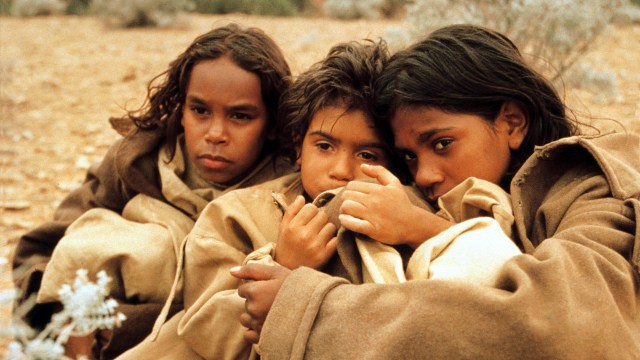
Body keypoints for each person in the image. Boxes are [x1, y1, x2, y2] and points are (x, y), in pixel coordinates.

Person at [232, 24, 640, 358]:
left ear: (513, 122)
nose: (425, 175)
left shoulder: (595, 192)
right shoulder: (407, 198)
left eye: (442, 143)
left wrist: (308, 310)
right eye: (409, 156)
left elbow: (560, 328)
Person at [12, 23, 294, 359]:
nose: (216, 133)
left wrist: (120, 327)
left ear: (274, 125)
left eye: (240, 116)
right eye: (200, 110)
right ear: (182, 109)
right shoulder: (136, 163)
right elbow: (43, 250)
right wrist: (68, 320)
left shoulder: (288, 190)